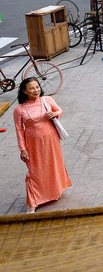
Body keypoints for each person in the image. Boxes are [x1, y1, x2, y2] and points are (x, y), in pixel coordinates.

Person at [13, 77, 71, 213]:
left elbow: (59, 111)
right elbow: (19, 130)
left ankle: (55, 191)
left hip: (51, 139)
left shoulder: (47, 100)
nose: (36, 90)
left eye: (37, 87)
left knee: (53, 165)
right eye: (32, 88)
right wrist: (23, 149)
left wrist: (54, 114)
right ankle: (33, 202)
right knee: (34, 171)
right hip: (32, 143)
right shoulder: (19, 109)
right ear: (24, 91)